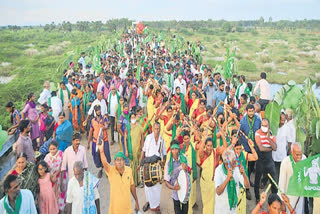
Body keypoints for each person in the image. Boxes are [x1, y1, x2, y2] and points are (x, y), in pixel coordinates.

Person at [98, 142, 140, 214]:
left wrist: (136, 201)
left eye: (121, 160)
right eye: (117, 160)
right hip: (115, 210)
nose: (119, 162)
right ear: (114, 162)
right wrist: (101, 151)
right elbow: (104, 163)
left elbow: (132, 187)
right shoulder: (111, 171)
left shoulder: (129, 170)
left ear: (124, 161)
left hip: (127, 209)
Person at [139, 122, 167, 212]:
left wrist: (163, 163)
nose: (157, 130)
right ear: (152, 129)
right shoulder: (148, 138)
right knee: (148, 186)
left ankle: (156, 206)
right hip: (148, 165)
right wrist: (140, 164)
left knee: (157, 187)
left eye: (158, 129)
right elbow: (143, 151)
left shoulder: (162, 140)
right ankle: (148, 202)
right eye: (155, 129)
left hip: (157, 166)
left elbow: (165, 154)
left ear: (160, 129)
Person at [215, 149, 250, 214]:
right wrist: (228, 178)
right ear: (227, 163)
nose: (236, 163)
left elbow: (247, 186)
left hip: (233, 210)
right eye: (234, 162)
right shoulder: (218, 170)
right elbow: (218, 192)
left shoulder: (236, 169)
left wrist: (244, 174)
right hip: (221, 210)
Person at [254, 119, 278, 203]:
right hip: (260, 159)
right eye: (262, 125)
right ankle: (257, 197)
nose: (263, 127)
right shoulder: (257, 133)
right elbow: (260, 148)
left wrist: (268, 139)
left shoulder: (271, 134)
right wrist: (270, 148)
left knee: (274, 180)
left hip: (269, 160)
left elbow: (275, 147)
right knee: (257, 179)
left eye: (265, 126)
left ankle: (274, 198)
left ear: (268, 126)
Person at [278, 142, 306, 214]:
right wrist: (282, 201)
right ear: (291, 152)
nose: (299, 157)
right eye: (297, 155)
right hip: (289, 197)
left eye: (300, 154)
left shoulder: (304, 159)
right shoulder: (285, 162)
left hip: (300, 196)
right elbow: (281, 183)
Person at [164, 141, 189, 214]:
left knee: (185, 211)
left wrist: (186, 168)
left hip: (185, 191)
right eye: (173, 149)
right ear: (171, 150)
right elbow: (166, 181)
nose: (175, 151)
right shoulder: (169, 163)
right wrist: (173, 188)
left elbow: (190, 170)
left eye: (176, 149)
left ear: (179, 149)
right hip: (175, 192)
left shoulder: (184, 157)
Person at [87, 105, 111, 178]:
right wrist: (88, 142)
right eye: (97, 110)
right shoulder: (93, 121)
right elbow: (91, 131)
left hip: (104, 140)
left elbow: (107, 125)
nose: (99, 111)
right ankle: (100, 169)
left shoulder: (104, 118)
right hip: (95, 141)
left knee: (106, 154)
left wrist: (104, 127)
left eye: (99, 110)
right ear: (95, 111)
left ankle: (107, 170)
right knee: (96, 155)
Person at [44, 140, 67, 212]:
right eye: (51, 149)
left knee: (62, 190)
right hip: (52, 178)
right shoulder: (47, 157)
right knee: (54, 193)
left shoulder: (61, 154)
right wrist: (51, 176)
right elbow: (46, 169)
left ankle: (62, 208)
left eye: (54, 149)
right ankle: (56, 209)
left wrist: (56, 174)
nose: (52, 151)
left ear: (57, 147)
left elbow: (63, 166)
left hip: (61, 176)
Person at [240, 104, 261, 181]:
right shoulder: (242, 121)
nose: (251, 113)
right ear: (247, 111)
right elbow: (240, 133)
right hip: (245, 146)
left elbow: (260, 131)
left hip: (254, 146)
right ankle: (246, 180)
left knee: (252, 164)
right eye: (249, 111)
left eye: (252, 111)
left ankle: (248, 179)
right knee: (246, 166)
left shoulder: (258, 120)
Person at [198, 136, 218, 214]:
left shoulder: (215, 153)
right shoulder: (203, 155)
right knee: (206, 204)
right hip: (204, 183)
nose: (209, 148)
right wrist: (204, 139)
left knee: (212, 204)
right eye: (208, 146)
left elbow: (225, 149)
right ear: (205, 146)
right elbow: (200, 151)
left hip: (212, 183)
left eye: (211, 146)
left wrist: (223, 136)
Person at [124, 112, 144, 186]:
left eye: (134, 117)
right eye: (131, 118)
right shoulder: (128, 127)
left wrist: (143, 147)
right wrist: (126, 150)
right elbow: (125, 139)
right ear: (130, 119)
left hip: (138, 150)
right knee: (132, 165)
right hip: (130, 150)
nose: (133, 119)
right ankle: (133, 182)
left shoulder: (139, 126)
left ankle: (139, 180)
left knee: (138, 164)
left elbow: (142, 137)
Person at [272, 113, 290, 182]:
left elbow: (289, 142)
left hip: (282, 154)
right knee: (273, 172)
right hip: (273, 154)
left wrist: (289, 152)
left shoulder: (286, 128)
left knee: (281, 173)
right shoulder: (273, 127)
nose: (282, 122)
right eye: (281, 120)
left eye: (284, 120)